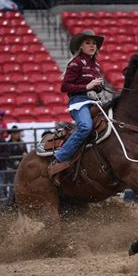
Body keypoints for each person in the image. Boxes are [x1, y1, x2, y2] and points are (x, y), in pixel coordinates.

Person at [47, 29, 105, 186]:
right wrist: (88, 86)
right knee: (85, 127)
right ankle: (58, 158)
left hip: (94, 102)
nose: (92, 46)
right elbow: (65, 87)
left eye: (94, 43)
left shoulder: (95, 65)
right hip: (79, 102)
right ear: (80, 46)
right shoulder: (76, 62)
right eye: (88, 43)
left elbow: (94, 87)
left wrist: (98, 87)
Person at [6, 126, 27, 201]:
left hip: (21, 167)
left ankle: (20, 201)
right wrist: (14, 161)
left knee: (21, 185)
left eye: (17, 133)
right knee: (12, 185)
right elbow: (7, 156)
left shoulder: (22, 143)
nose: (16, 134)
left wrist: (24, 155)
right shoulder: (8, 144)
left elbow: (26, 153)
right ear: (11, 134)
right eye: (14, 133)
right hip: (12, 167)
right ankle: (11, 201)